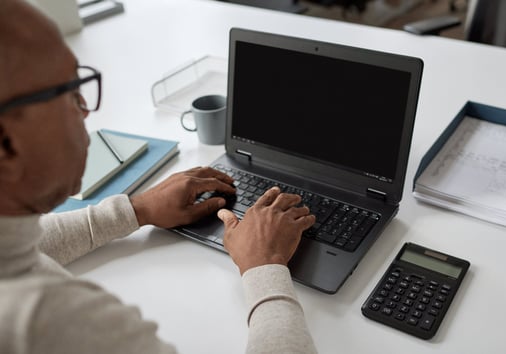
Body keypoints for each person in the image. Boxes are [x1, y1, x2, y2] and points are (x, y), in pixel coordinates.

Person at [0, 1, 318, 353]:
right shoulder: (55, 325)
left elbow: (15, 246)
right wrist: (265, 267)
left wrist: (135, 210)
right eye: (70, 93)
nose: (87, 110)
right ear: (6, 145)